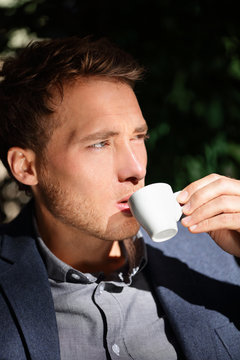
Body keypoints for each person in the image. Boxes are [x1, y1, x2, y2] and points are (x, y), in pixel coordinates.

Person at [0, 36, 240, 360]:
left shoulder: (214, 246)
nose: (137, 168)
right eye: (100, 143)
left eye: (138, 137)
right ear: (26, 167)